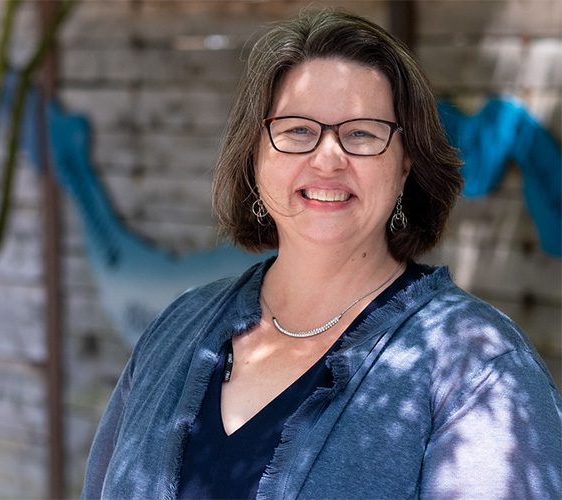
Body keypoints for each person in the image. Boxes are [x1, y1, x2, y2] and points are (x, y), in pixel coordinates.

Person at [81, 9, 562, 500]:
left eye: (362, 133)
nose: (328, 157)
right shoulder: (175, 329)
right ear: (255, 156)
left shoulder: (476, 367)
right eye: (296, 130)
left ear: (405, 167)